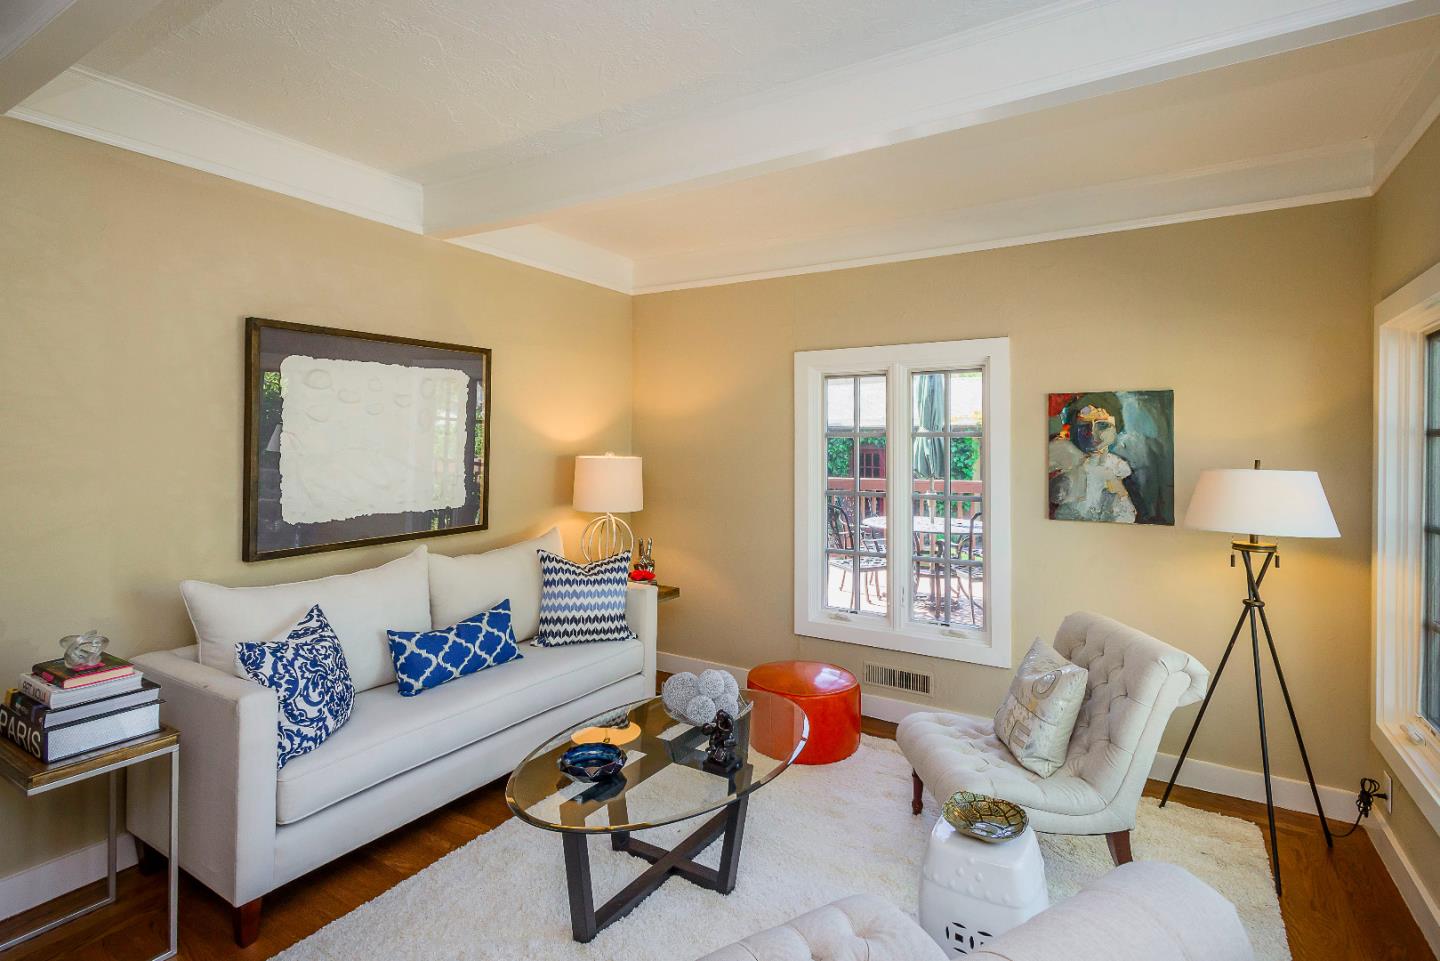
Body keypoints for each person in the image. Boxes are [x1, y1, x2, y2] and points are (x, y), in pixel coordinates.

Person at [1048, 404, 1137, 523]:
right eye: (1085, 427)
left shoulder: (1114, 465)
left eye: (1102, 425)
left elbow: (1126, 512)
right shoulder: (1067, 454)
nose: (1092, 432)